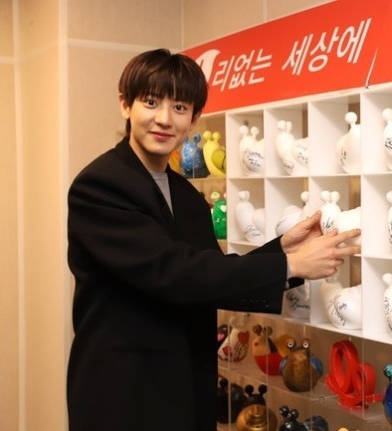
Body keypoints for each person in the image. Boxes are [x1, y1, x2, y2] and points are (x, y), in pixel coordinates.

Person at [66, 48, 360, 431]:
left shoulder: (186, 195)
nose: (164, 119)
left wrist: (282, 249)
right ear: (126, 104)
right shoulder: (100, 185)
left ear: (194, 119)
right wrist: (287, 264)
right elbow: (173, 272)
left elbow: (209, 277)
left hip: (186, 387)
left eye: (179, 107)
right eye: (151, 102)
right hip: (124, 394)